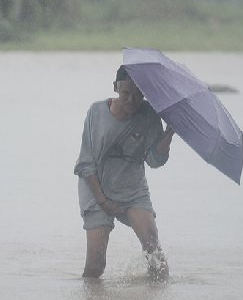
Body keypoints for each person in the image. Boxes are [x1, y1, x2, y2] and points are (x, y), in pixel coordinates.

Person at [74, 65, 176, 280]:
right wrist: (103, 201)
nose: (131, 100)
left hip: (132, 190)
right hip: (96, 188)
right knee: (95, 266)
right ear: (115, 88)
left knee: (154, 254)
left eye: (139, 94)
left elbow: (154, 161)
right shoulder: (97, 112)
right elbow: (85, 164)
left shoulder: (149, 115)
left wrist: (169, 133)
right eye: (126, 93)